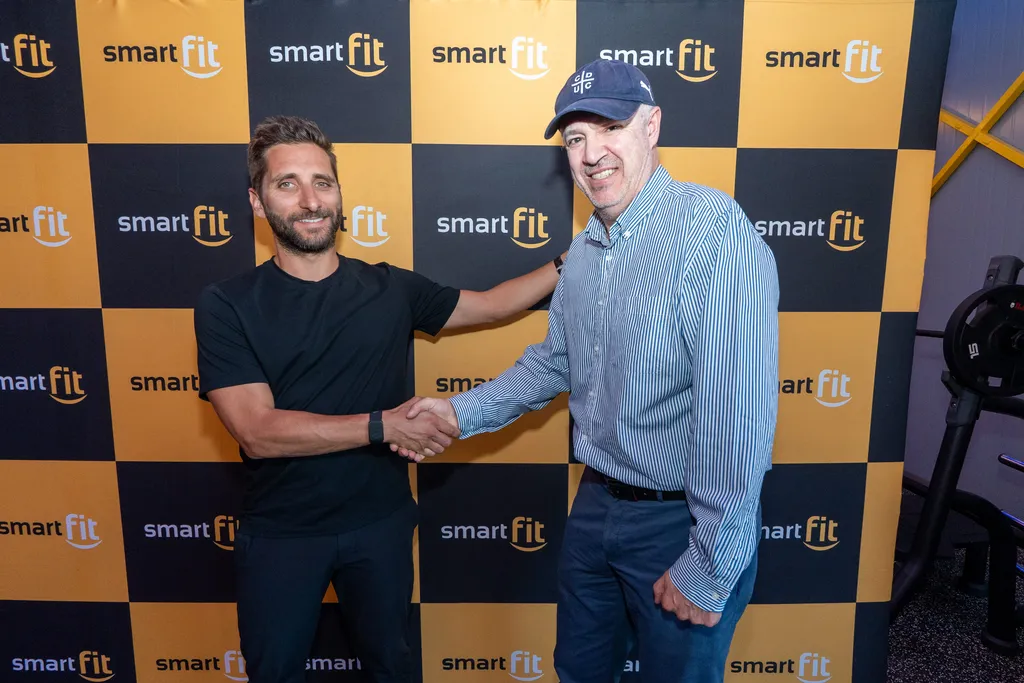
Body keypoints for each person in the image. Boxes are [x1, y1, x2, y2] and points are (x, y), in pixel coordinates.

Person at [400, 59, 780, 682]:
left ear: (651, 126)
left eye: (609, 127)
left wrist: (711, 564)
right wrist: (456, 413)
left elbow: (736, 411)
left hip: (681, 522)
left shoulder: (711, 232)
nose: (592, 153)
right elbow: (555, 361)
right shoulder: (582, 251)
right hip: (597, 505)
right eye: (576, 138)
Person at [193, 114, 567, 683]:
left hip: (381, 526)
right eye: (286, 183)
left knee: (391, 668)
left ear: (340, 194)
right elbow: (257, 430)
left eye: (323, 182)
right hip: (281, 534)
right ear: (257, 199)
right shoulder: (227, 304)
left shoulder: (388, 286)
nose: (310, 200)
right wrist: (383, 426)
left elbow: (491, 305)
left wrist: (574, 259)